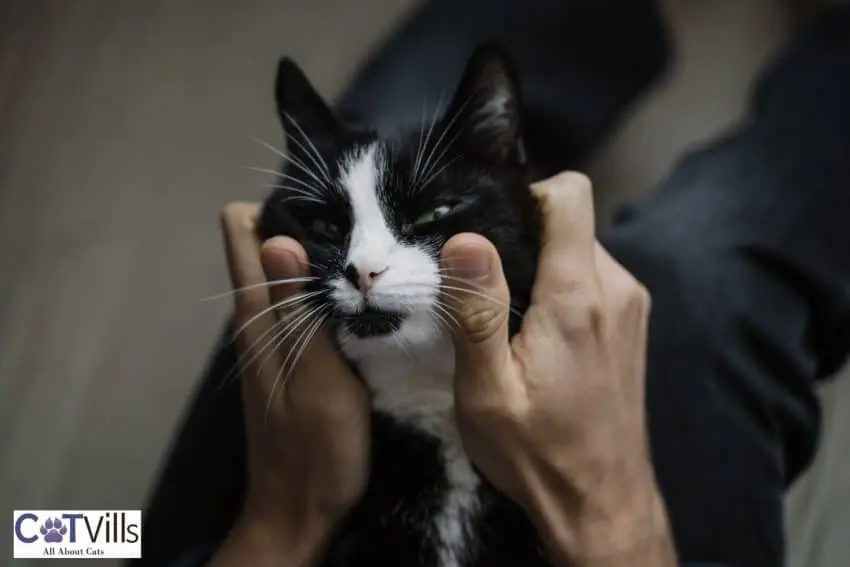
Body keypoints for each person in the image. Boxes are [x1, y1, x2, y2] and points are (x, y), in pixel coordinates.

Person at [134, 1, 850, 566]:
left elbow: (40, 535)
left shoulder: (66, 526)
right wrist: (614, 518)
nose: (364, 260)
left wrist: (271, 525)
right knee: (697, 267)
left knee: (390, 125)